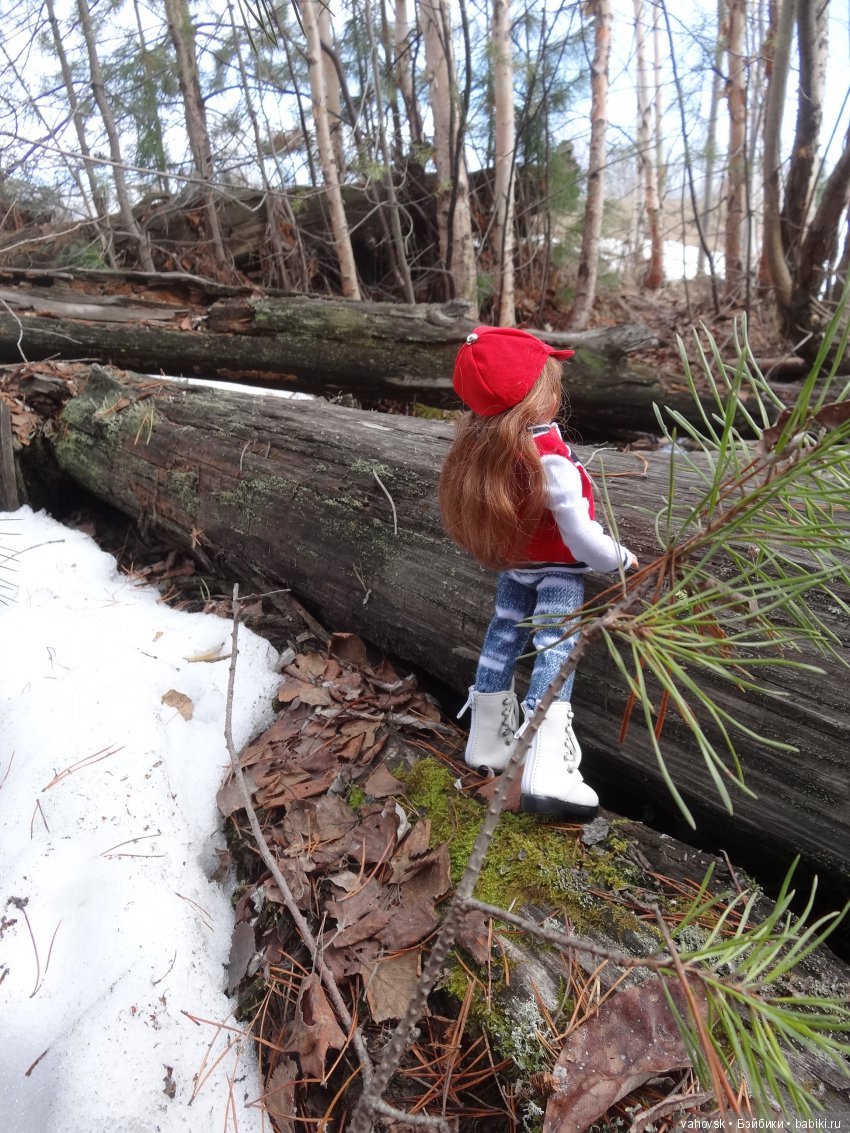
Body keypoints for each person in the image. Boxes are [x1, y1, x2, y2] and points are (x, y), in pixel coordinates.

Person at [439, 325, 637, 821]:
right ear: (539, 397)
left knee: (502, 636)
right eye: (552, 385)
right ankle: (547, 763)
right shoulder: (550, 461)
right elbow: (580, 536)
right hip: (558, 573)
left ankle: (488, 739)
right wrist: (618, 559)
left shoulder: (478, 449)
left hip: (515, 568)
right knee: (556, 645)